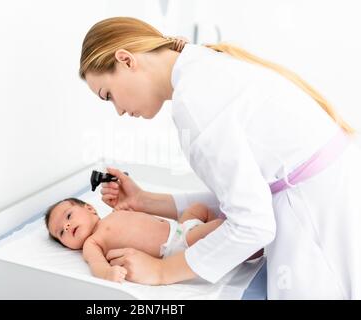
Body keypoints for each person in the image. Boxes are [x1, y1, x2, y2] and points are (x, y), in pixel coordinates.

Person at [78, 16, 361, 299]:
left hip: (319, 225)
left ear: (126, 60)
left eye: (108, 95)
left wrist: (161, 271)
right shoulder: (205, 67)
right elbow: (245, 194)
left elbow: (252, 224)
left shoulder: (194, 101)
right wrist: (145, 201)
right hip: (330, 197)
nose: (118, 111)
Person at [44, 197, 235, 283]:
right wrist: (107, 273)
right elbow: (96, 264)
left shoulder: (114, 214)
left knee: (199, 207)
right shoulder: (91, 243)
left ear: (90, 208)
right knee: (222, 228)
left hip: (179, 227)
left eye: (68, 216)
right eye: (61, 233)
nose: (66, 227)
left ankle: (228, 230)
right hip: (176, 246)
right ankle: (246, 243)